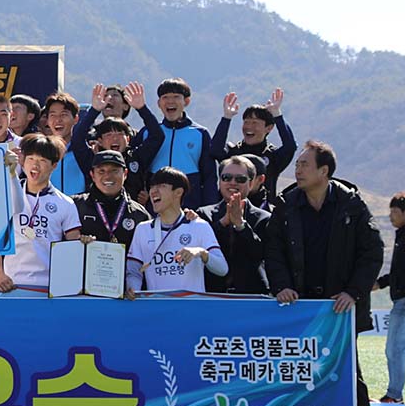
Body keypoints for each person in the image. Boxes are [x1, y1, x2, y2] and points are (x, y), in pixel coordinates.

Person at [264, 140, 382, 406]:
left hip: (339, 309)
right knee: (296, 375)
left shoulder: (352, 205)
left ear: (324, 171)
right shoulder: (287, 205)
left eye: (304, 164)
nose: (297, 170)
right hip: (299, 309)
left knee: (349, 376)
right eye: (297, 164)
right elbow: (273, 250)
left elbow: (372, 252)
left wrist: (353, 292)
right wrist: (282, 286)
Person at [0, 134, 82, 293]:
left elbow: (74, 246)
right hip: (13, 284)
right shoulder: (7, 194)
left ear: (54, 165)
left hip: (49, 287)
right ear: (22, 161)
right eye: (31, 159)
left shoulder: (66, 203)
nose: (35, 165)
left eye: (42, 161)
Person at [125, 167, 226, 293]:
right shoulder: (143, 229)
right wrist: (133, 290)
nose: (153, 191)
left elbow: (222, 269)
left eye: (161, 186)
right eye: (152, 187)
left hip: (191, 305)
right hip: (157, 305)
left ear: (178, 192)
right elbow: (134, 271)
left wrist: (201, 252)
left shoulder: (199, 226)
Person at [132, 78, 218, 209]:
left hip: (189, 207)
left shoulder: (200, 134)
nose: (170, 101)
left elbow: (209, 177)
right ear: (159, 103)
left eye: (176, 96)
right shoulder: (148, 133)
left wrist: (209, 210)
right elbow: (134, 168)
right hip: (154, 207)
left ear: (186, 101)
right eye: (165, 97)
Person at [71, 83, 161, 201]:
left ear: (128, 139)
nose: (115, 139)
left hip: (129, 211)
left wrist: (142, 108)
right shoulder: (92, 159)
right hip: (96, 209)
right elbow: (77, 139)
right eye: (109, 135)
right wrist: (94, 110)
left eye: (119, 134)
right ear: (100, 141)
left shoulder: (136, 157)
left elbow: (157, 136)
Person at [210, 89, 296, 205]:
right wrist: (227, 117)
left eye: (255, 123)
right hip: (230, 207)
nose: (249, 127)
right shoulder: (233, 153)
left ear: (269, 128)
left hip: (263, 209)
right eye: (246, 122)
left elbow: (290, 146)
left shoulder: (272, 156)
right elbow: (215, 150)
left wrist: (277, 115)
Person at [198, 156, 270, 294]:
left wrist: (240, 225)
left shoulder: (264, 218)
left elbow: (261, 254)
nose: (232, 183)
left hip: (251, 295)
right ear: (219, 181)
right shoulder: (203, 214)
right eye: (226, 178)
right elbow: (201, 249)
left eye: (240, 179)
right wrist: (222, 223)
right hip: (211, 292)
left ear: (251, 183)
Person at [376, 192, 405, 404]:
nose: (390, 216)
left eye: (394, 212)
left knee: (395, 348)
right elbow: (401, 272)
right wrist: (379, 283)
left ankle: (394, 396)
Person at [72, 150, 151, 249]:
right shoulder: (75, 207)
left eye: (114, 171)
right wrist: (77, 243)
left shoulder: (140, 215)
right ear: (92, 175)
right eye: (101, 171)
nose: (108, 176)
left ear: (125, 174)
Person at [42, 92, 85, 195]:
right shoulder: (40, 151)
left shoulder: (83, 151)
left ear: (76, 119)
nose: (58, 120)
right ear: (47, 121)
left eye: (64, 115)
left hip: (79, 204)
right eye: (53, 115)